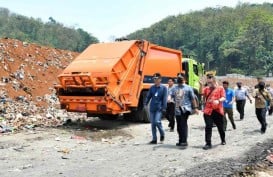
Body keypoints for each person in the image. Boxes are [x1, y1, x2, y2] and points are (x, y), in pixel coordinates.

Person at [170, 73, 199, 148]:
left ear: (184, 79)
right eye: (178, 78)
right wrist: (169, 98)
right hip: (177, 109)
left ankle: (184, 141)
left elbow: (193, 98)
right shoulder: (174, 88)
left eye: (181, 78)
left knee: (183, 124)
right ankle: (180, 140)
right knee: (179, 126)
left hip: (185, 109)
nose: (179, 79)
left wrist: (195, 108)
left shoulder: (188, 88)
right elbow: (170, 95)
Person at [202, 74, 226, 150]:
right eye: (208, 82)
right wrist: (200, 85)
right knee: (208, 126)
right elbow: (202, 94)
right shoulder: (206, 89)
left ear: (214, 81)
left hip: (217, 111)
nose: (210, 84)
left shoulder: (220, 88)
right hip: (208, 111)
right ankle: (208, 143)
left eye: (211, 82)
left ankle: (223, 139)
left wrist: (218, 100)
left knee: (220, 127)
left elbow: (223, 98)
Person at [145, 73, 167, 144]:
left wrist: (164, 107)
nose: (155, 80)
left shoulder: (164, 88)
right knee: (153, 124)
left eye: (156, 79)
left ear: (160, 79)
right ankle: (154, 139)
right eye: (154, 79)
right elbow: (148, 96)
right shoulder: (152, 88)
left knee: (157, 121)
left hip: (159, 108)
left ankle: (162, 133)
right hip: (152, 108)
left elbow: (165, 98)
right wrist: (145, 103)